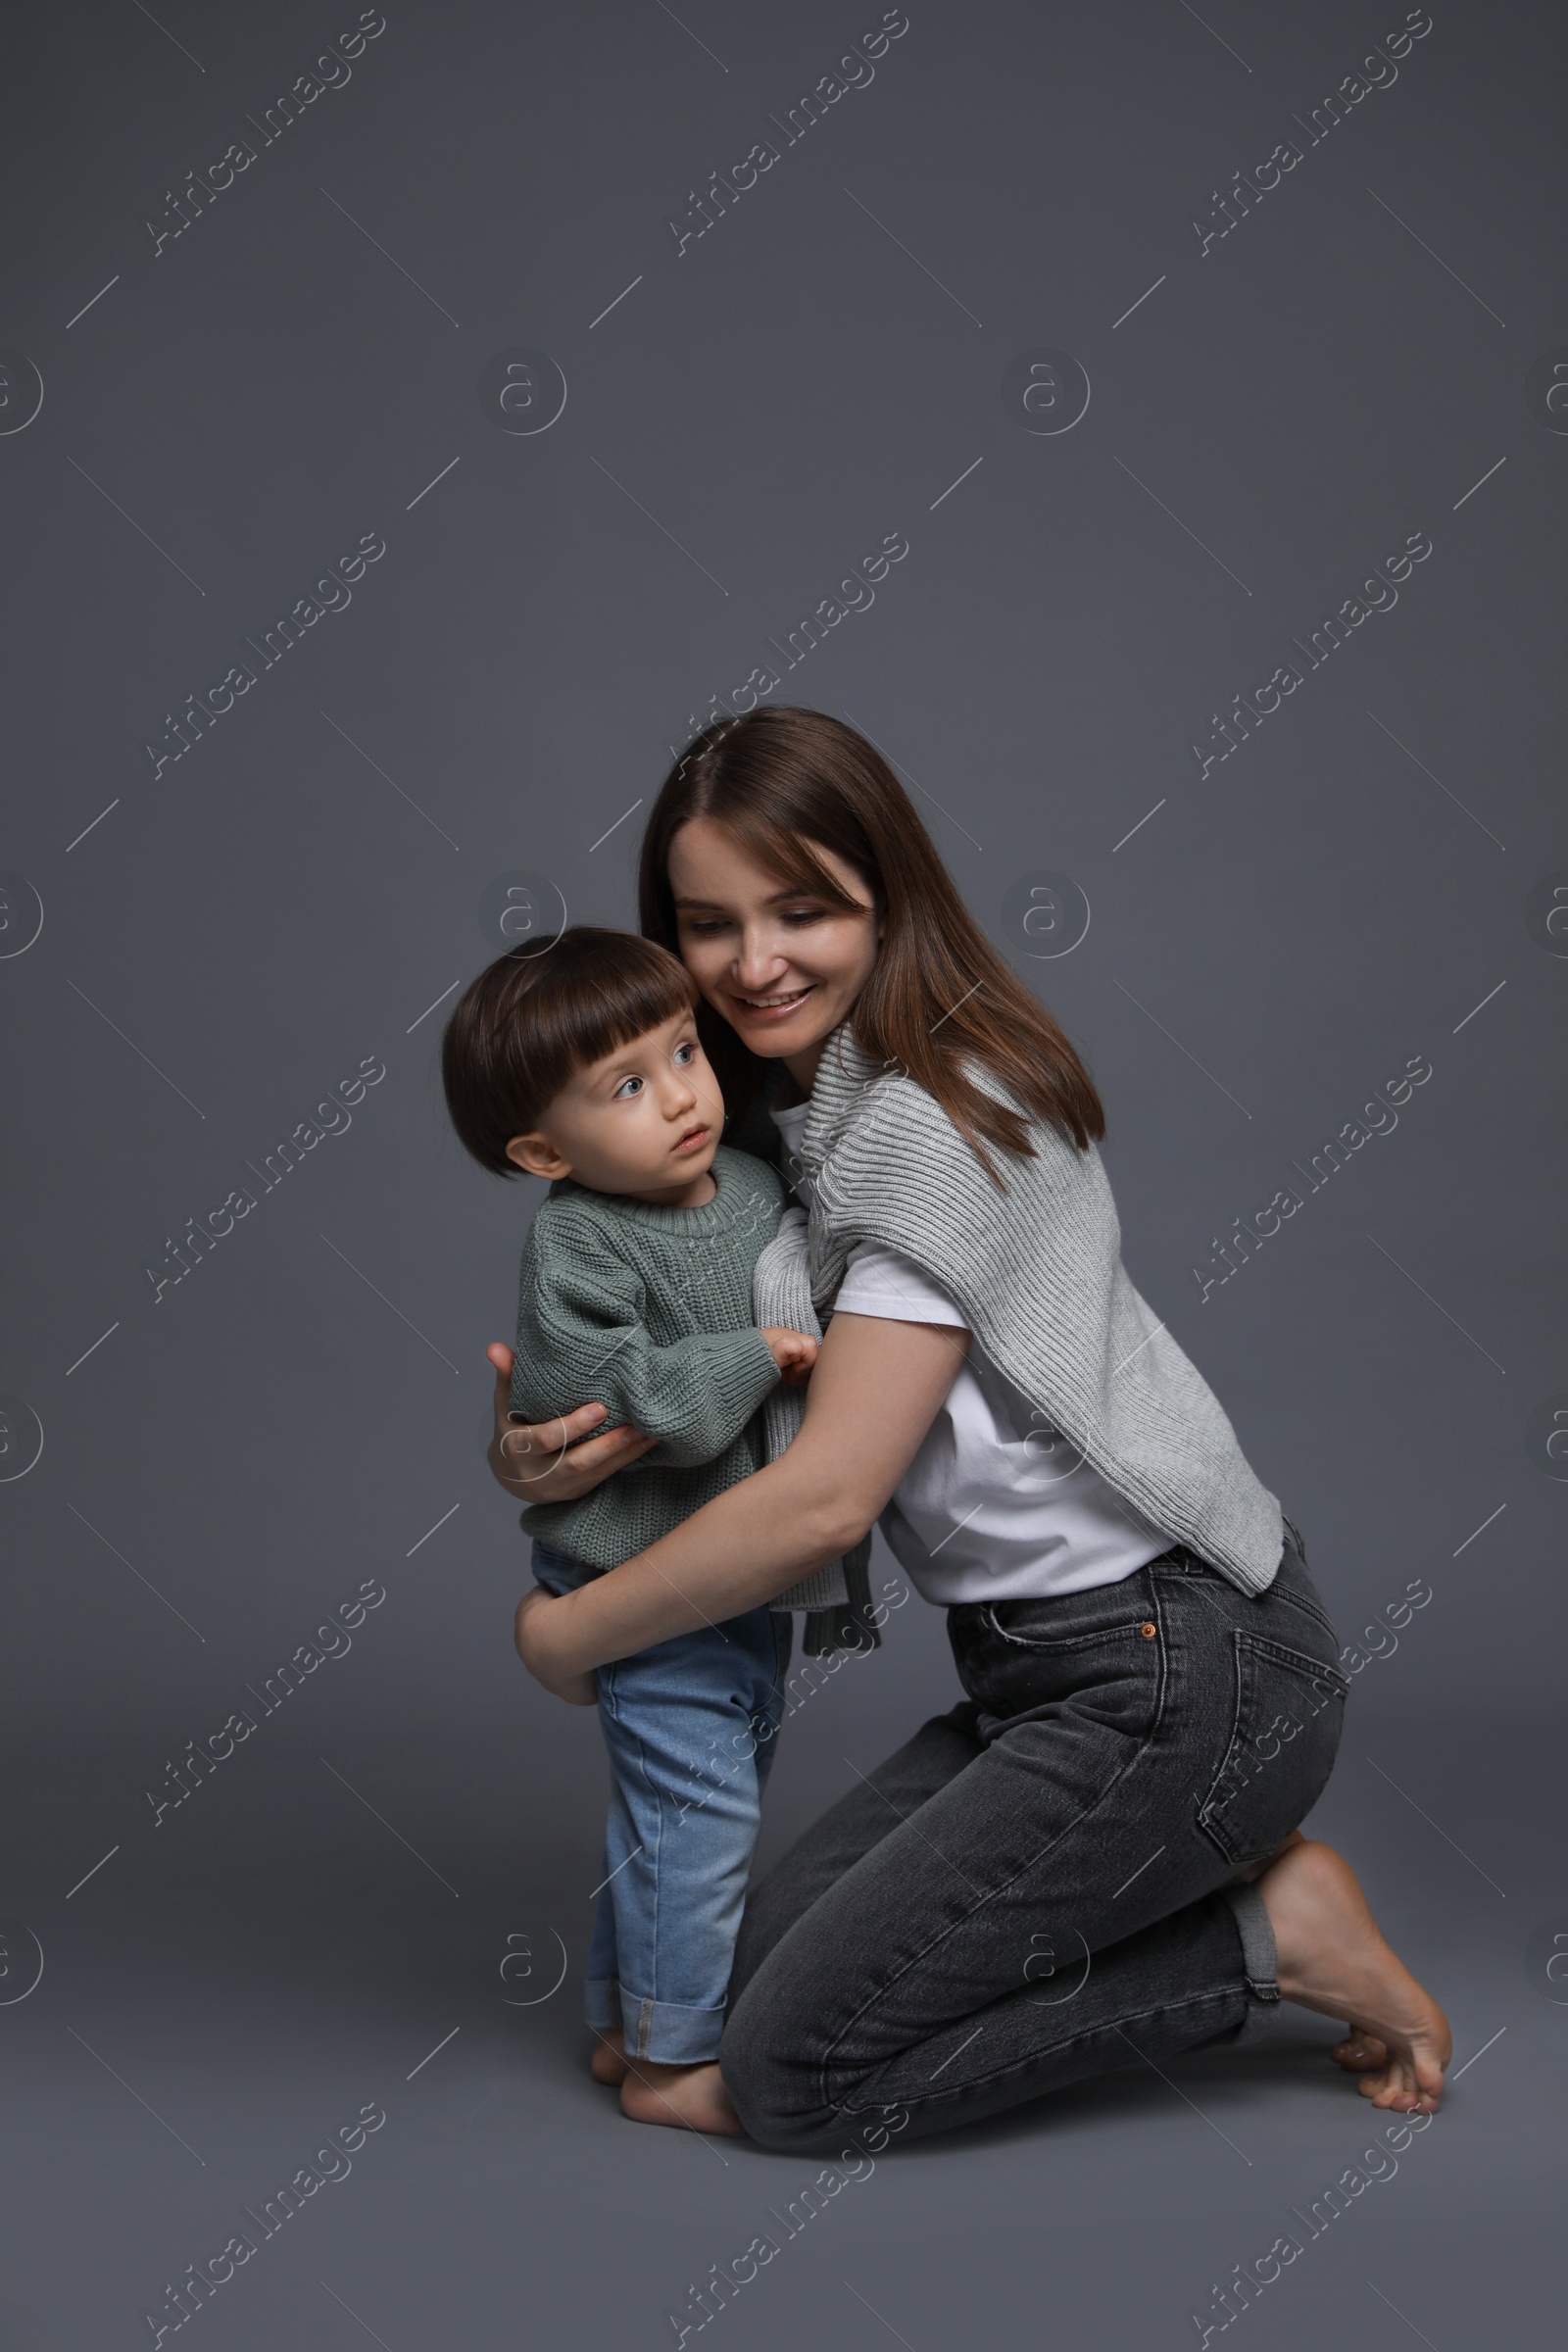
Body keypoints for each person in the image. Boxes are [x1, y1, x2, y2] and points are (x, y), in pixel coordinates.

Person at [492, 708, 1450, 2147]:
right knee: (751, 1993)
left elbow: (824, 1501)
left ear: (889, 895)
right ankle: (1244, 1903)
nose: (754, 963)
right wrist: (535, 1451)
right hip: (1040, 1677)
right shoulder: (800, 1133)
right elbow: (655, 1369)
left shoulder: (927, 1125)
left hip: (1188, 1668)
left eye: (802, 909)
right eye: (709, 924)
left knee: (795, 2077)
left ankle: (1270, 1941)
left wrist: (573, 1634)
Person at [441, 926, 823, 2129]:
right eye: (627, 1087)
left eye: (682, 1054)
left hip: (735, 1569)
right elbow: (599, 1385)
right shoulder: (577, 1235)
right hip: (642, 1579)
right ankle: (670, 2065)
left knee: (672, 1812)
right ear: (547, 1149)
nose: (680, 1098)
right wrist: (753, 1357)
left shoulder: (754, 1185)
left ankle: (621, 2021)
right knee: (698, 1816)